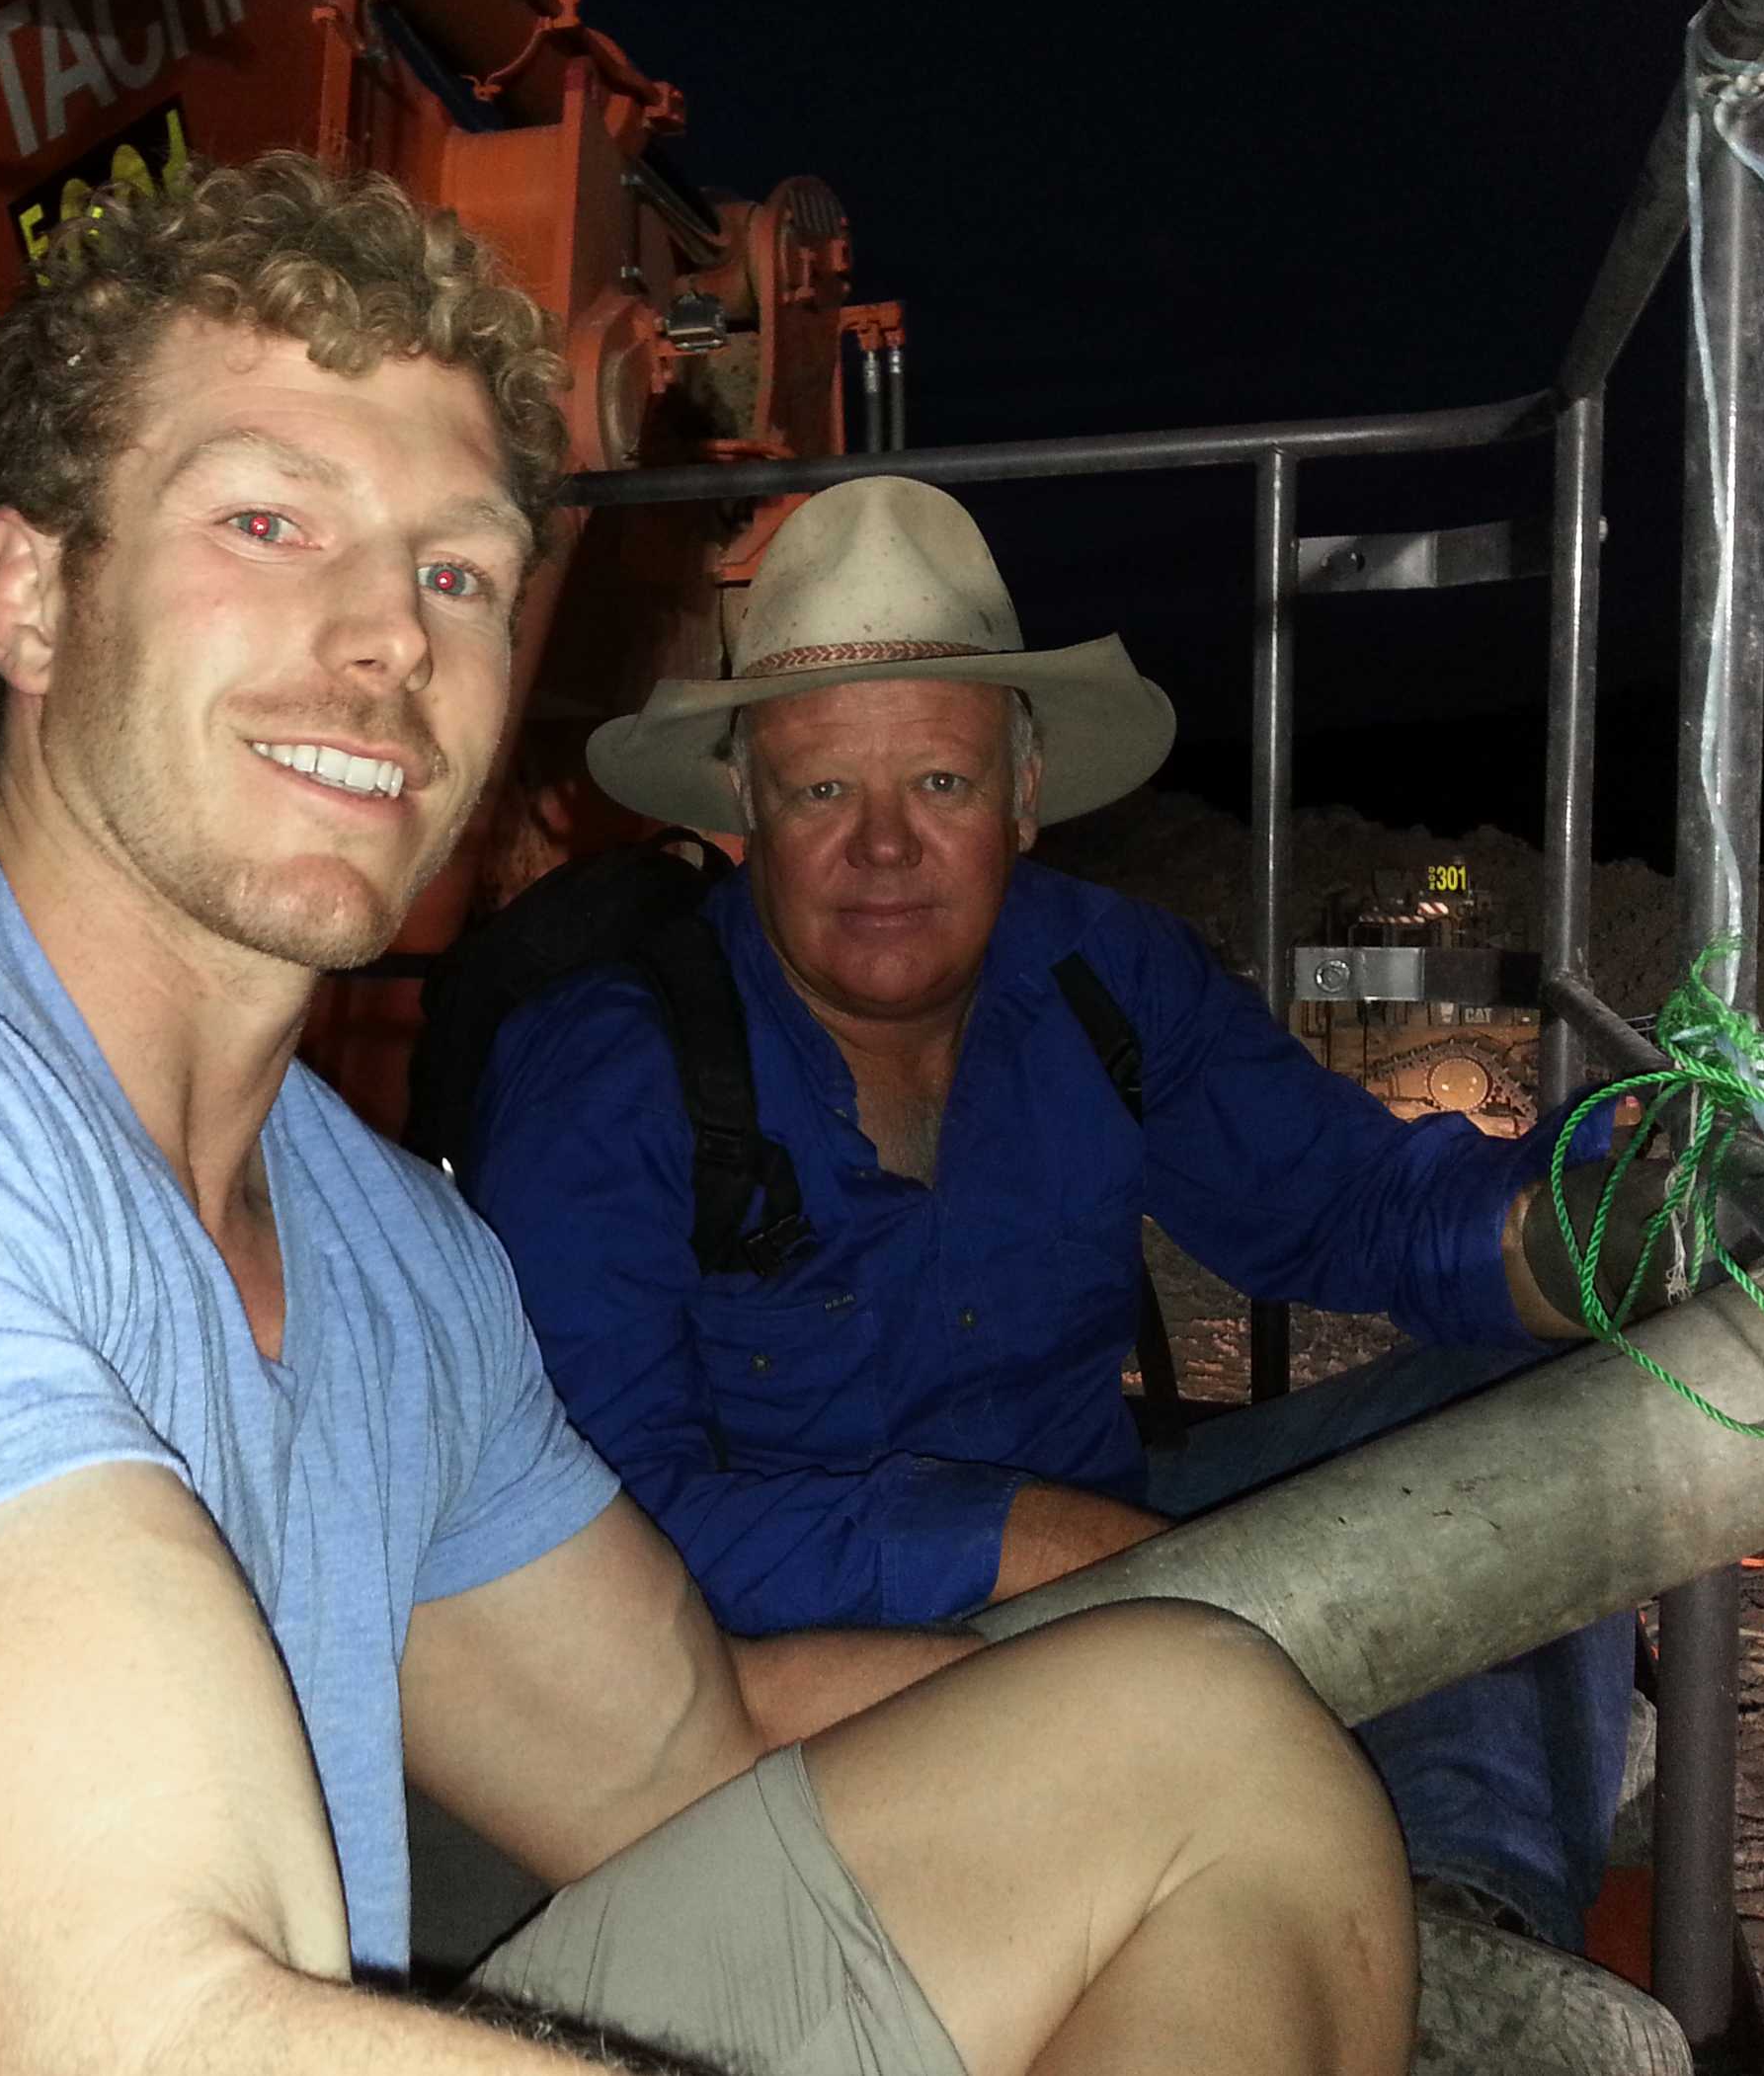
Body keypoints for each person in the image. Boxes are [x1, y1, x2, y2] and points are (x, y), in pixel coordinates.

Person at [0, 157, 1414, 2076]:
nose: (385, 634)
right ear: (29, 597)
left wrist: (1226, 1612)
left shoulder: (389, 1258)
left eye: (458, 570)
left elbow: (691, 1748)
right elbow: (114, 2037)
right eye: (267, 520)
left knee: (1205, 1745)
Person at [464, 474, 1652, 1959]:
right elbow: (596, 1535)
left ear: (1023, 796)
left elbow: (1347, 1203)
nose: (885, 847)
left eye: (941, 785)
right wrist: (1023, 1540)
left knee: (1554, 1402)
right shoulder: (605, 1074)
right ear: (742, 812)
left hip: (1112, 1539)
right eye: (824, 790)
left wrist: (1589, 1233)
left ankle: (1469, 1941)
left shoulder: (1104, 975)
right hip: (798, 1675)